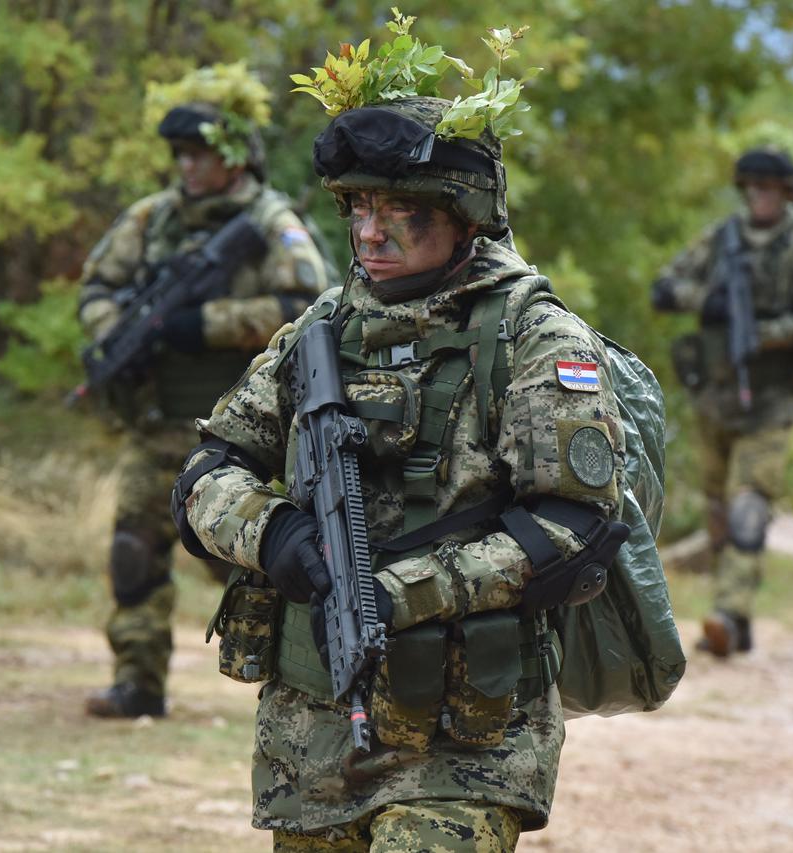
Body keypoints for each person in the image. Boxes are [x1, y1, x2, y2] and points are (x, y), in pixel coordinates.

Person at [172, 93, 639, 850]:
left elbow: (573, 526)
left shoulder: (532, 335)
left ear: (465, 214)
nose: (369, 230)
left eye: (401, 210)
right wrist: (273, 532)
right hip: (312, 737)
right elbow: (205, 470)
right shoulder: (320, 331)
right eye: (358, 207)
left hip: (465, 738)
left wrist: (408, 593)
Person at [77, 64, 332, 718]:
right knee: (133, 552)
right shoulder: (151, 219)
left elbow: (310, 303)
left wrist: (208, 325)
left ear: (237, 155)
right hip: (158, 422)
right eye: (181, 155)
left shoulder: (270, 222)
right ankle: (138, 683)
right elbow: (98, 288)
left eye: (202, 153)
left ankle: (310, 676)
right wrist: (125, 335)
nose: (189, 167)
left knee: (255, 559)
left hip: (242, 435)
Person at [651, 146, 793, 658]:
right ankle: (735, 618)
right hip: (716, 393)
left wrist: (765, 333)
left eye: (771, 188)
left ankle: (727, 611)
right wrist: (710, 302)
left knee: (748, 504)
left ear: (788, 193)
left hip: (774, 397)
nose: (761, 196)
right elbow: (665, 288)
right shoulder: (723, 238)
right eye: (753, 187)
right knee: (718, 507)